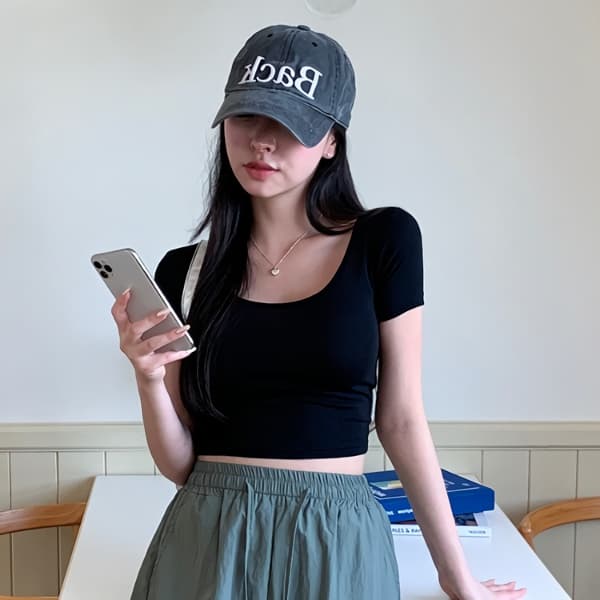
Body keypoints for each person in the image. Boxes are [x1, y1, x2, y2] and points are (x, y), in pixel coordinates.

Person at [111, 24, 526, 600]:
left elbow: (401, 420)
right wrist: (148, 378)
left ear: (331, 141)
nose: (262, 142)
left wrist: (457, 578)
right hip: (207, 535)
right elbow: (182, 465)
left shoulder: (385, 241)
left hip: (337, 535)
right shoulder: (185, 271)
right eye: (247, 116)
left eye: (289, 125)